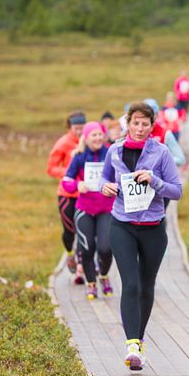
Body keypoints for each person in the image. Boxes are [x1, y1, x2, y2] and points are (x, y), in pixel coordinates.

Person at [100, 102, 182, 371]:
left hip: (153, 228)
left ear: (151, 126)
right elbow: (103, 180)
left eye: (145, 124)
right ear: (128, 123)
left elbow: (176, 190)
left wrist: (154, 181)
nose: (139, 128)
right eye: (135, 123)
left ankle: (140, 338)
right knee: (131, 284)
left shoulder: (161, 153)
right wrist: (107, 187)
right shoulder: (114, 150)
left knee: (147, 287)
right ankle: (132, 345)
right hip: (122, 224)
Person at [61, 122, 115, 299]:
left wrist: (115, 185)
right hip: (85, 209)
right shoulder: (79, 156)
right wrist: (78, 185)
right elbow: (66, 181)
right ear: (86, 137)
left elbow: (122, 175)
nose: (98, 138)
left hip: (106, 209)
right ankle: (91, 283)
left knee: (106, 248)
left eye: (100, 134)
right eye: (94, 135)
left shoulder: (110, 153)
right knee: (87, 248)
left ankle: (104, 275)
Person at [47, 110, 86, 284]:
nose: (79, 132)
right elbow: (51, 168)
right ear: (70, 127)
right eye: (76, 128)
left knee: (84, 230)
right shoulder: (63, 143)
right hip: (67, 194)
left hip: (85, 193)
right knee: (69, 230)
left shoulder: (89, 140)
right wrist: (70, 172)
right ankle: (70, 254)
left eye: (81, 128)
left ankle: (82, 264)